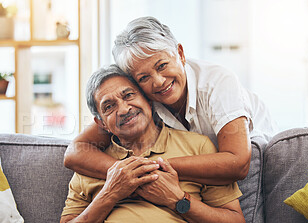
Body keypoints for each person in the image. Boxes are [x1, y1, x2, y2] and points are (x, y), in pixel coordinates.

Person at [25, 65, 247, 223]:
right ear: (101, 123)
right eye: (109, 106)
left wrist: (177, 199)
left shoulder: (197, 147)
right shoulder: (91, 163)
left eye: (128, 95)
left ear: (149, 100)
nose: (123, 109)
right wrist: (110, 193)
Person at [64, 16, 277, 185]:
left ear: (180, 53)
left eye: (162, 65)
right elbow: (76, 152)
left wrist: (151, 166)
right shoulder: (141, 100)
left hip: (263, 169)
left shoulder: (218, 81)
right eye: (144, 78)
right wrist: (125, 173)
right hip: (199, 178)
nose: (158, 82)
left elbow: (238, 163)